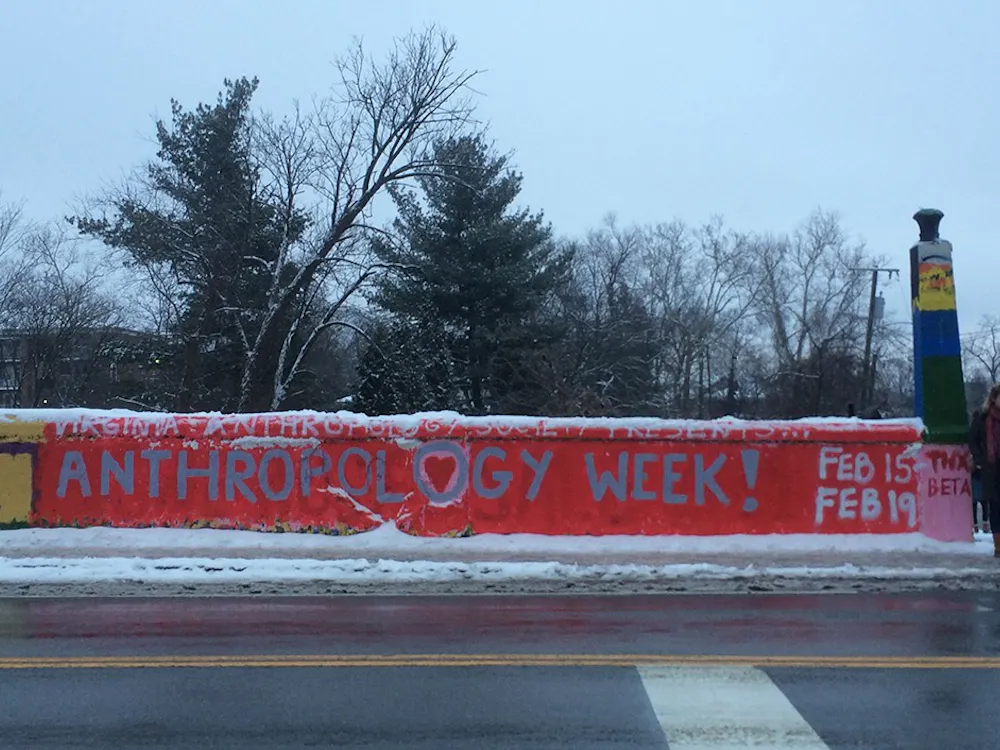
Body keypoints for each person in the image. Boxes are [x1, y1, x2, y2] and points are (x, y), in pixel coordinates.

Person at [969, 383, 1000, 556]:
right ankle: (998, 544)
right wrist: (981, 460)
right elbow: (973, 440)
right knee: (995, 506)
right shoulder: (982, 419)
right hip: (991, 469)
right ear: (994, 399)